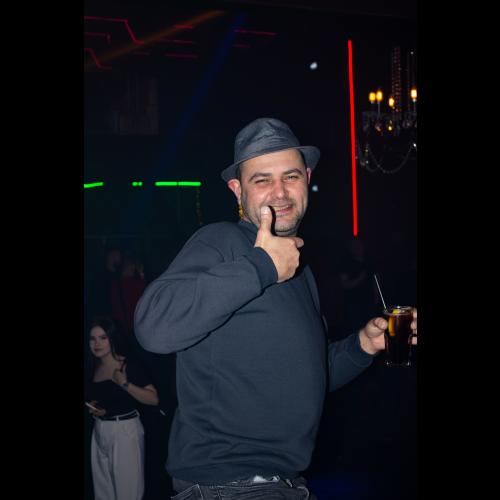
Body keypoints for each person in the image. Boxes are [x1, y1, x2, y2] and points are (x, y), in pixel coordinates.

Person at [134, 117, 417, 499]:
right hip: (228, 485)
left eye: (291, 176)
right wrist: (261, 266)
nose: (280, 192)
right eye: (262, 180)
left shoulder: (298, 270)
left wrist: (363, 345)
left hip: (284, 483)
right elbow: (153, 327)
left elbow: (308, 376)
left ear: (307, 178)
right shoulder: (223, 241)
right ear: (237, 191)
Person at [85, 316, 160, 500]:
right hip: (100, 429)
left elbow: (153, 399)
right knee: (103, 494)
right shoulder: (95, 366)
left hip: (124, 431)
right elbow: (109, 400)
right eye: (92, 339)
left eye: (102, 338)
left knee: (128, 493)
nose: (96, 343)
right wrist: (96, 407)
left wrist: (125, 384)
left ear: (112, 339)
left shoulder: (127, 364)